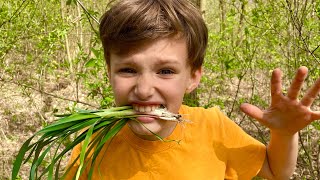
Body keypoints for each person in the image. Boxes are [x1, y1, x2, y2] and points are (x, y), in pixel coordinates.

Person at [65, 0, 320, 179]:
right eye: (128, 70)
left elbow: (278, 171)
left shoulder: (213, 127)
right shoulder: (91, 144)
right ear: (109, 72)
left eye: (165, 71)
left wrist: (285, 133)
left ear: (193, 77)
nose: (143, 90)